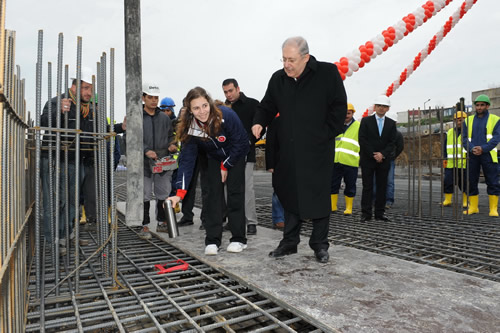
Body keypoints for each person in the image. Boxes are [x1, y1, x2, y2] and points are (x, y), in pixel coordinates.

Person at [252, 36, 347, 263]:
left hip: (317, 151)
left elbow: (339, 107)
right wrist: (259, 121)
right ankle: (289, 242)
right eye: (284, 59)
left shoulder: (327, 73)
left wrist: (323, 135)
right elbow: (267, 105)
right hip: (289, 151)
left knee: (319, 196)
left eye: (291, 60)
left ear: (305, 57)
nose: (287, 64)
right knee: (289, 194)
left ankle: (320, 245)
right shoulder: (278, 79)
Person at [167, 87, 249, 255]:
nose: (202, 111)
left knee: (235, 195)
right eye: (196, 108)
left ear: (210, 103)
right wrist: (179, 193)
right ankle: (212, 240)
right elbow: (187, 161)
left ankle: (239, 239)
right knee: (212, 196)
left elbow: (242, 144)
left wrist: (226, 165)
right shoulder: (190, 127)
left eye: (204, 106)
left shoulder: (226, 116)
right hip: (212, 158)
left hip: (235, 155)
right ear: (190, 110)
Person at [40, 67, 95, 255]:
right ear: (74, 87)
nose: (89, 93)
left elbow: (91, 133)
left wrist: (120, 127)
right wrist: (59, 112)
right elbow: (44, 122)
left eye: (91, 89)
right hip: (54, 159)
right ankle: (53, 240)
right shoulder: (57, 102)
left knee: (72, 201)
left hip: (75, 160)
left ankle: (67, 234)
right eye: (86, 88)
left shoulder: (86, 109)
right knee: (55, 201)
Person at [140, 82, 177, 239]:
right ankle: (144, 225)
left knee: (163, 192)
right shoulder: (137, 117)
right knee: (145, 193)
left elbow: (171, 135)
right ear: (143, 98)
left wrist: (172, 144)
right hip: (144, 163)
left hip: (162, 161)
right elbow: (131, 138)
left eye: (156, 98)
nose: (154, 101)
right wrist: (145, 150)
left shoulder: (164, 118)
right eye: (150, 97)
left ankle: (162, 222)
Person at [222, 78, 260, 235]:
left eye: (231, 90)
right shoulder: (223, 107)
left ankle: (251, 222)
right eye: (225, 92)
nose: (228, 94)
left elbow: (259, 127)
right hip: (227, 155)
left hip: (246, 153)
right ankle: (233, 220)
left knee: (247, 188)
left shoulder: (253, 104)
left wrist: (250, 141)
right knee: (227, 189)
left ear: (238, 88)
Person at [359, 95, 397, 222]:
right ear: (375, 107)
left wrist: (382, 154)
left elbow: (392, 142)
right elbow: (362, 140)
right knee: (367, 186)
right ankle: (366, 213)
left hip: (383, 160)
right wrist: (374, 154)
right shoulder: (365, 121)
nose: (381, 108)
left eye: (384, 106)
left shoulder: (391, 124)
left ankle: (380, 213)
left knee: (382, 187)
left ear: (388, 109)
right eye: (379, 106)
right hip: (368, 159)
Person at [462, 94, 500, 216]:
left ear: (487, 106)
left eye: (482, 105)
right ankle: (473, 207)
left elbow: (496, 138)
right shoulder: (468, 120)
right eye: (477, 105)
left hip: (488, 155)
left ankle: (493, 209)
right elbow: (463, 139)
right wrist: (472, 148)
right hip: (472, 155)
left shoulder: (495, 120)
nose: (479, 107)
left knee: (492, 181)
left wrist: (483, 148)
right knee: (471, 180)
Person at [330, 103, 360, 215]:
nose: (346, 115)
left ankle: (349, 208)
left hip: (350, 161)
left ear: (352, 113)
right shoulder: (336, 125)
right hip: (335, 161)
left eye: (348, 113)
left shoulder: (358, 126)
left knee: (350, 185)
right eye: (344, 113)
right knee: (333, 184)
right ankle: (332, 206)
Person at [442, 111, 468, 208]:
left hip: (464, 163)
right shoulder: (449, 133)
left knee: (464, 182)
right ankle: (447, 200)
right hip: (450, 163)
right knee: (448, 181)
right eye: (457, 120)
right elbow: (445, 147)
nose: (459, 122)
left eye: (461, 120)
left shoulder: (469, 132)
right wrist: (444, 158)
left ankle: (465, 201)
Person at [265, 113, 285, 229]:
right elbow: (270, 144)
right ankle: (278, 218)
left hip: (295, 162)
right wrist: (270, 164)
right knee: (278, 190)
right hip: (279, 162)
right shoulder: (275, 121)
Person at [384, 129, 404, 209]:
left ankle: (388, 201)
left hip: (389, 160)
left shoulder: (397, 134)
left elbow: (400, 147)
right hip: (379, 159)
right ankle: (376, 200)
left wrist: (393, 156)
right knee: (377, 181)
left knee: (389, 181)